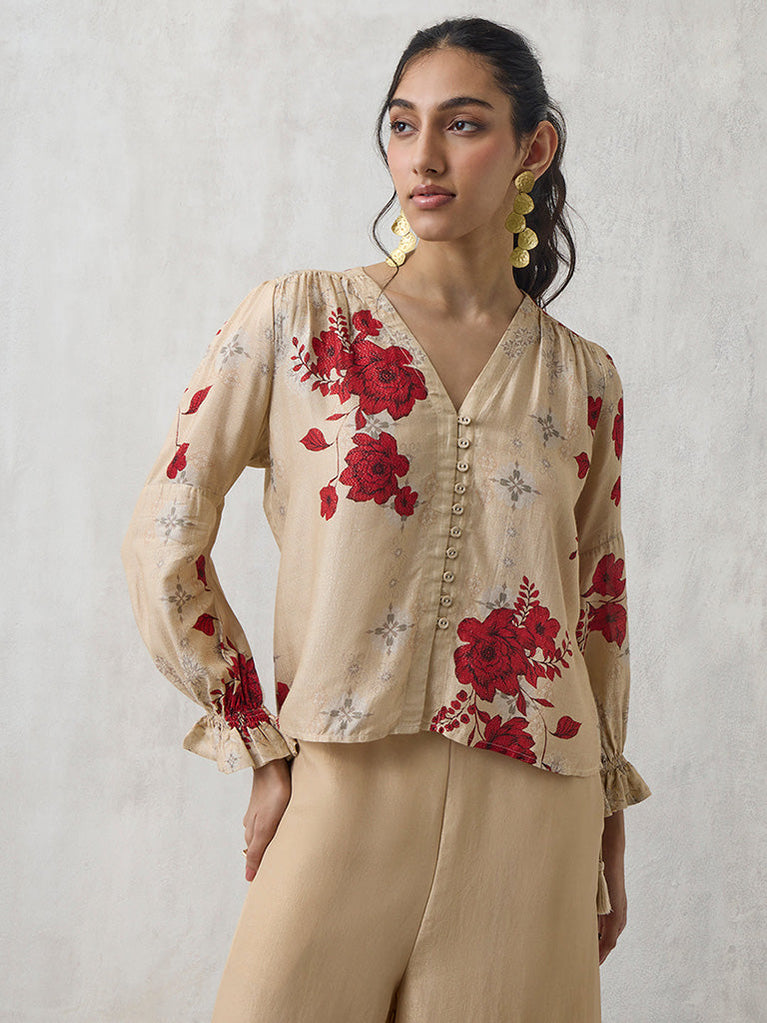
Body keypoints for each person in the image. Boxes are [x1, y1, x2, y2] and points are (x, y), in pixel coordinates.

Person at [121, 16, 652, 1022]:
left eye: (463, 124)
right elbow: (163, 533)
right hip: (338, 786)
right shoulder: (297, 320)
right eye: (403, 125)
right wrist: (255, 742)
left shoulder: (581, 377)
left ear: (534, 148)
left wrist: (607, 816)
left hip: (534, 807)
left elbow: (598, 602)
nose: (423, 156)